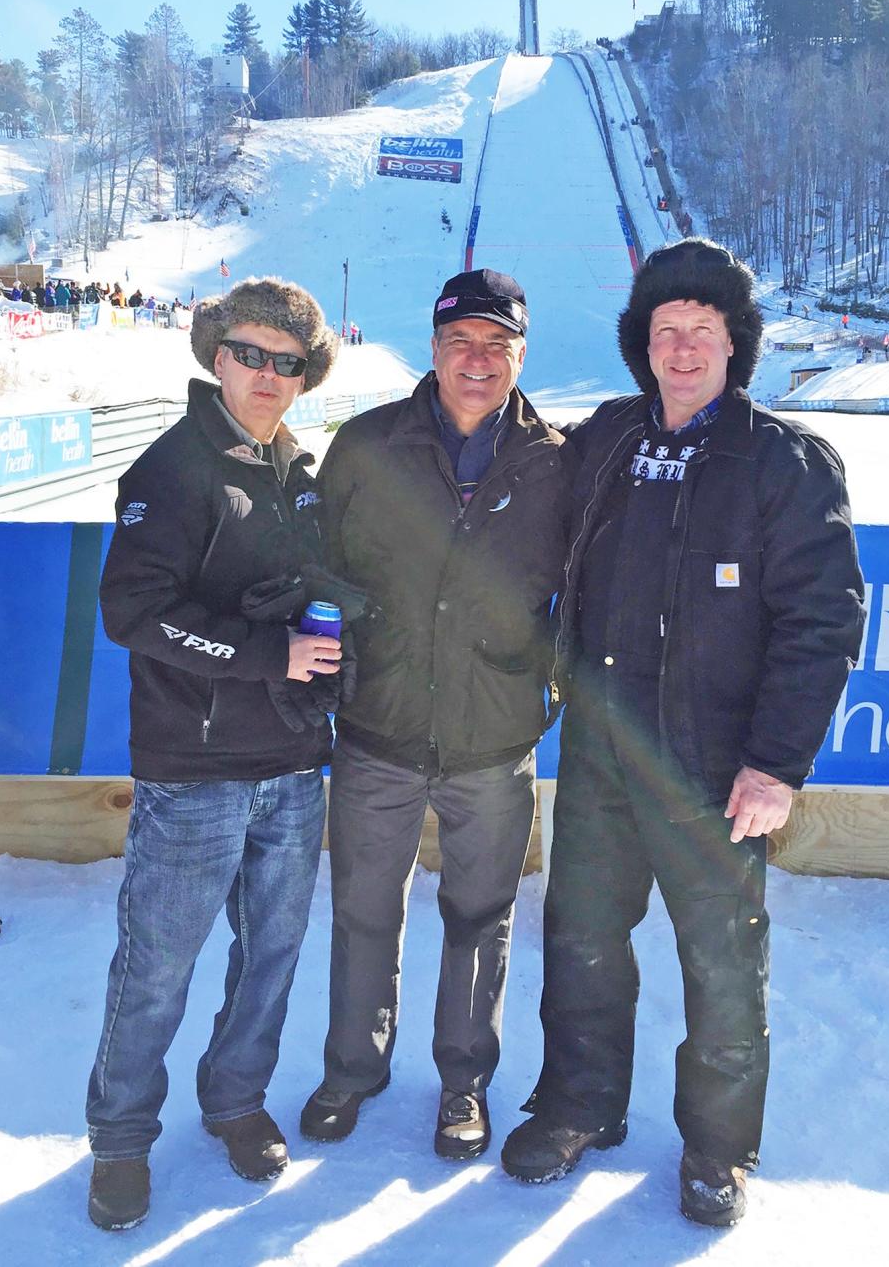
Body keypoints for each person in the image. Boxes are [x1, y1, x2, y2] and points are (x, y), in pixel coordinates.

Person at [500, 239, 864, 1227]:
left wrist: (777, 766)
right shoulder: (608, 439)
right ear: (644, 346)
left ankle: (716, 1149)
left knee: (720, 959)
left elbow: (824, 621)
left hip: (715, 768)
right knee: (580, 940)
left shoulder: (782, 462)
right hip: (603, 751)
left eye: (704, 329)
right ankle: (577, 1107)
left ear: (734, 345)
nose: (685, 346)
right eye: (667, 330)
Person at [86, 277, 350, 1231]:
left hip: (290, 759)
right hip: (193, 773)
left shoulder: (296, 469)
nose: (267, 375)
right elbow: (133, 614)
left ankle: (235, 1099)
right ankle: (120, 1139)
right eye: (250, 354)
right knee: (157, 966)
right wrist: (266, 652)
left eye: (288, 362)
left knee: (270, 956)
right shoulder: (172, 467)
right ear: (214, 355)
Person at [300, 268, 575, 1163]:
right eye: (463, 341)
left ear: (521, 356)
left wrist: (551, 676)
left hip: (493, 740)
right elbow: (319, 572)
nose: (479, 360)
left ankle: (465, 1082)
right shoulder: (368, 445)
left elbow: (587, 591)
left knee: (480, 916)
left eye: (499, 345)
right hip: (378, 728)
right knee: (364, 910)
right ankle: (352, 1069)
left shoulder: (559, 461)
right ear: (433, 346)